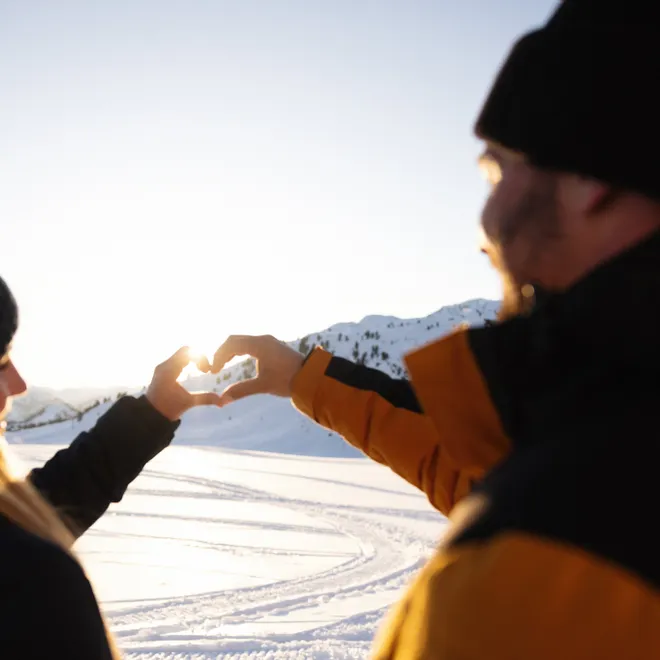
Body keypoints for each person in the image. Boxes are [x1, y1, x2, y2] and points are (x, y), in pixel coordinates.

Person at [210, 2, 660, 658]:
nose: (485, 221)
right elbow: (478, 471)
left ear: (589, 175)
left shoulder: (545, 567)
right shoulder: (603, 428)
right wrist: (303, 377)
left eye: (498, 168)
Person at [0, 276, 222, 657]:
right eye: (1, 359)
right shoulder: (33, 587)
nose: (19, 384)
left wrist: (154, 412)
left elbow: (34, 511)